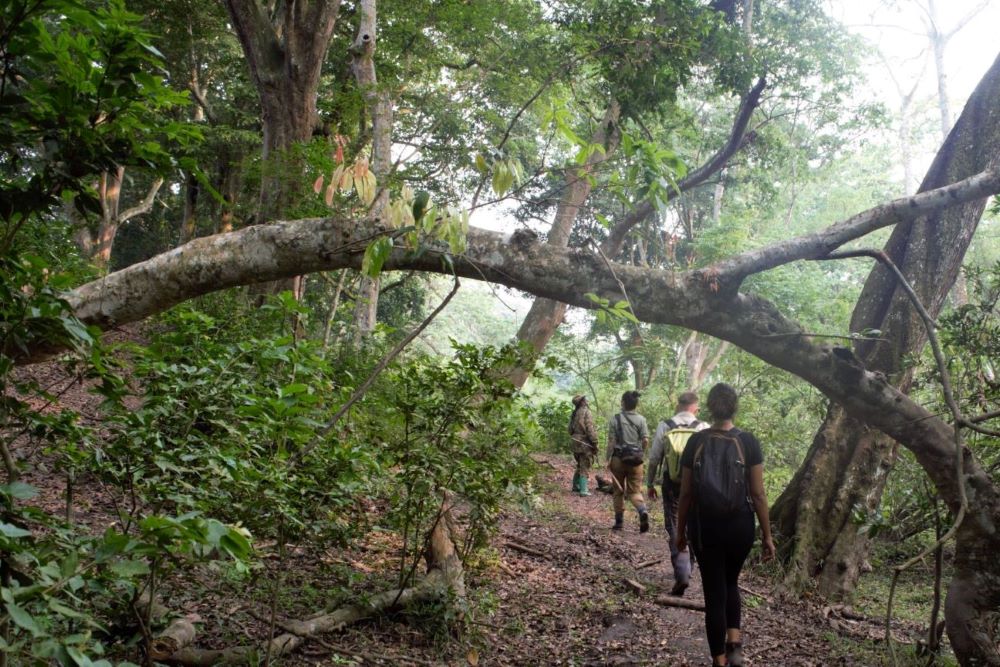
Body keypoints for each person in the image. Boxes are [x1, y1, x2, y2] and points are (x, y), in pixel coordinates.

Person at [676, 383, 775, 667]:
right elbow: (757, 494)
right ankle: (734, 644)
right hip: (740, 525)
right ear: (735, 407)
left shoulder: (696, 442)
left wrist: (680, 532)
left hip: (705, 527)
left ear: (709, 407)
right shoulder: (748, 441)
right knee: (731, 581)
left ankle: (719, 661)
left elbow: (686, 494)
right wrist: (767, 535)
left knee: (714, 591)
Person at [646, 391, 707, 595]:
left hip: (672, 484)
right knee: (694, 523)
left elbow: (654, 457)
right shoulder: (703, 427)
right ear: (695, 408)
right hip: (698, 486)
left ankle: (681, 571)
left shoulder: (666, 425)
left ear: (678, 405)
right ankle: (688, 567)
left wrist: (649, 483)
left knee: (674, 524)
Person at [605, 390, 651, 532]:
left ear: (623, 403)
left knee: (618, 491)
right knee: (634, 491)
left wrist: (607, 458)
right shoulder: (641, 420)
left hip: (618, 459)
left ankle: (619, 523)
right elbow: (645, 440)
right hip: (636, 461)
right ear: (636, 404)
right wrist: (641, 453)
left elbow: (612, 441)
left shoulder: (615, 418)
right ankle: (642, 510)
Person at [568, 394, 599, 496]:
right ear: (582, 402)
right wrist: (595, 442)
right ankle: (583, 490)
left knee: (580, 465)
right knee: (584, 465)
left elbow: (569, 430)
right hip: (584, 443)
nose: (587, 400)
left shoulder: (574, 413)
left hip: (575, 441)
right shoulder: (586, 412)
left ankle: (575, 486)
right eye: (586, 399)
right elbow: (590, 429)